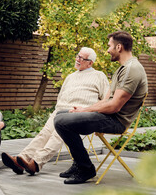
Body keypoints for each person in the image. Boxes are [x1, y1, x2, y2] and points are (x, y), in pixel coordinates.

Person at [54, 31, 148, 184]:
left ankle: (85, 169)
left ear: (119, 47)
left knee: (62, 122)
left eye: (109, 46)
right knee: (61, 115)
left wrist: (84, 111)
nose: (107, 50)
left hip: (117, 121)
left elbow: (114, 106)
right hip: (107, 116)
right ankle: (79, 163)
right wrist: (82, 110)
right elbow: (106, 100)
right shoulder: (122, 69)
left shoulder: (132, 70)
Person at [1, 47, 110, 176]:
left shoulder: (99, 76)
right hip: (60, 111)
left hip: (78, 114)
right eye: (77, 56)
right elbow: (61, 96)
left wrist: (93, 113)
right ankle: (21, 160)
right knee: (44, 134)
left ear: (90, 62)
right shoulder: (70, 77)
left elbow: (106, 99)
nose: (77, 59)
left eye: (81, 58)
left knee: (56, 136)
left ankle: (36, 163)